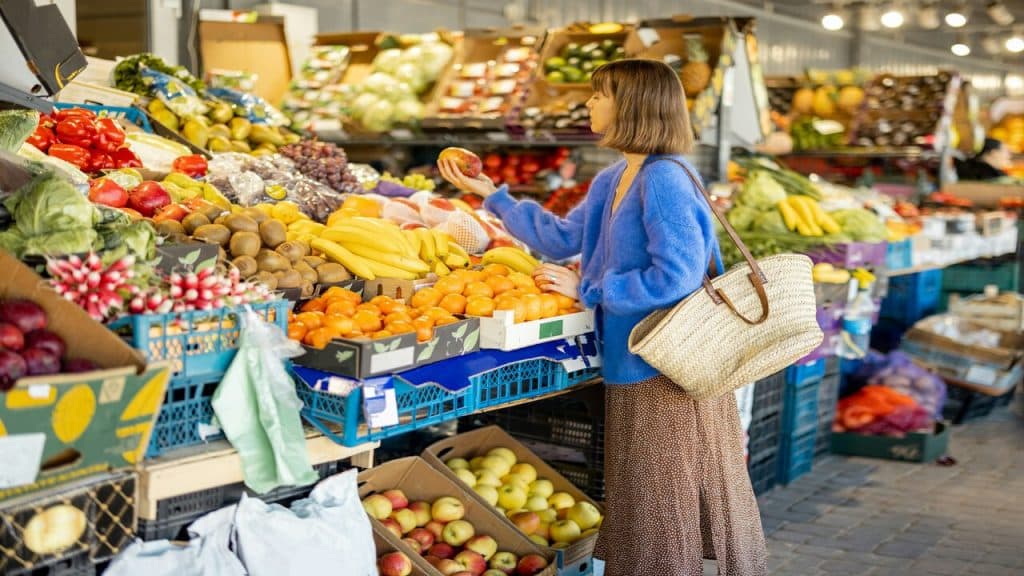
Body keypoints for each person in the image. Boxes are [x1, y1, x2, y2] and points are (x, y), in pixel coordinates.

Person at [439, 59, 767, 576]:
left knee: (660, 509)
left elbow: (676, 277)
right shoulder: (614, 177)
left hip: (665, 370)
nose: (590, 103)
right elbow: (560, 240)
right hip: (629, 360)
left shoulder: (663, 181)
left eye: (601, 95)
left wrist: (590, 289)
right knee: (639, 503)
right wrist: (492, 197)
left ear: (633, 106)